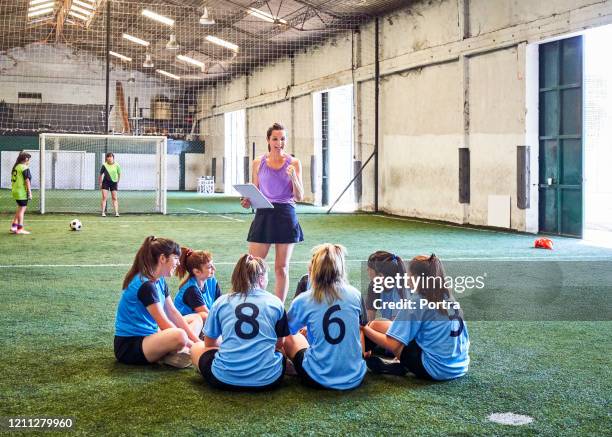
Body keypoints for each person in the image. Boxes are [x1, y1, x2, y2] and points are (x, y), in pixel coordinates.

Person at [362, 254, 470, 381]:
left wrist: (365, 329)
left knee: (375, 329)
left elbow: (393, 345)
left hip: (434, 368)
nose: (406, 278)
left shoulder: (417, 301)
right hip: (460, 365)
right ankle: (393, 361)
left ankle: (360, 358)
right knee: (378, 324)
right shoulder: (447, 297)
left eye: (409, 275)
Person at [191, 254, 289, 391]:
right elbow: (279, 344)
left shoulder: (221, 302)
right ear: (261, 279)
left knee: (196, 347)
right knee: (280, 353)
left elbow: (209, 344)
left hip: (222, 379)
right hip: (269, 380)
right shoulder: (275, 303)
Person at [284, 244, 368, 390]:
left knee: (292, 338)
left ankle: (287, 365)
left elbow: (285, 331)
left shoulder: (304, 299)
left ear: (314, 269)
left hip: (317, 377)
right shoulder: (355, 294)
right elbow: (362, 325)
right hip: (355, 376)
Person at [114, 236, 203, 368]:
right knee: (180, 335)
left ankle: (173, 353)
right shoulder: (146, 285)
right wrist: (196, 347)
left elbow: (173, 313)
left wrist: (198, 343)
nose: (178, 263)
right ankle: (173, 353)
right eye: (176, 258)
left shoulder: (159, 280)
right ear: (162, 258)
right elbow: (164, 323)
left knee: (196, 318)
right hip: (130, 346)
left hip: (151, 336)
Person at [240, 122, 304, 302]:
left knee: (281, 268)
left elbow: (299, 196)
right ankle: (252, 302)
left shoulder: (294, 163)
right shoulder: (258, 163)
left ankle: (278, 308)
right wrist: (247, 200)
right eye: (275, 139)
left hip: (285, 214)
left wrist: (293, 176)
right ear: (268, 140)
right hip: (264, 213)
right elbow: (255, 191)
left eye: (282, 139)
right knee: (252, 265)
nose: (279, 142)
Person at [174, 247, 221, 322]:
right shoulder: (191, 290)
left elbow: (220, 305)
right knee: (205, 316)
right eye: (209, 267)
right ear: (197, 272)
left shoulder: (212, 281)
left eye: (213, 265)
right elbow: (208, 316)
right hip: (186, 326)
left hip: (202, 324)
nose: (214, 269)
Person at [365, 251, 408, 321]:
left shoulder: (399, 291)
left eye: (370, 268)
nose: (367, 270)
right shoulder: (374, 286)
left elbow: (395, 328)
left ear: (381, 276)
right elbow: (369, 320)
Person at [10, 152, 33, 235]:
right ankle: (20, 228)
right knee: (22, 210)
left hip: (15, 191)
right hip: (22, 191)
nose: (29, 161)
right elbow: (27, 181)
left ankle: (14, 226)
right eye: (29, 159)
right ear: (26, 159)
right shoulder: (24, 167)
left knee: (20, 208)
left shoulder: (16, 166)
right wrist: (30, 193)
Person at [99, 152, 121, 217]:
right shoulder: (104, 165)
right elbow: (100, 175)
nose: (109, 158)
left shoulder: (117, 165)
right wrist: (100, 183)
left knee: (114, 198)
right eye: (108, 157)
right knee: (104, 197)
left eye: (111, 157)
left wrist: (117, 182)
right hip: (105, 182)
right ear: (106, 158)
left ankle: (116, 212)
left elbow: (119, 174)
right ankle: (103, 212)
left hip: (114, 183)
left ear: (113, 158)